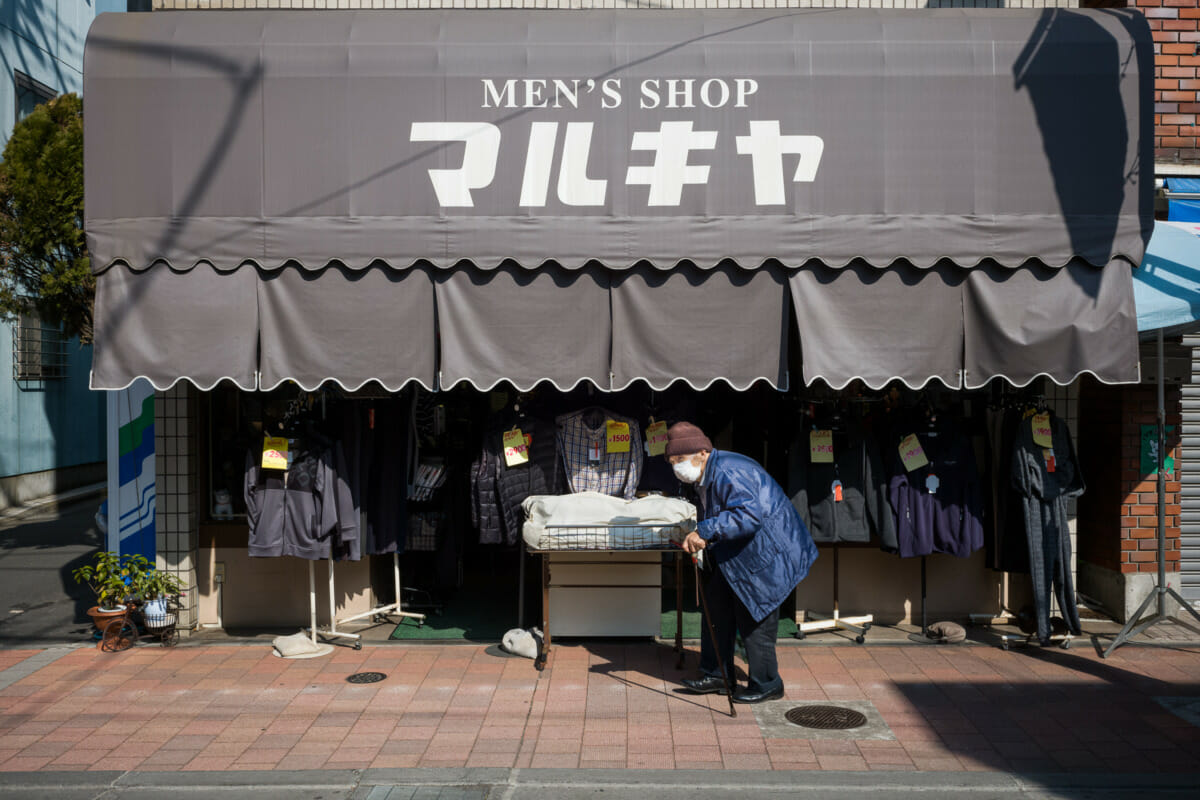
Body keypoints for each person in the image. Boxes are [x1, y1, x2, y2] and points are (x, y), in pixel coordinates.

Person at [667, 421, 818, 704]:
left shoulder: (728, 470)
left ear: (702, 452)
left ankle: (767, 682)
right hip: (738, 550)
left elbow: (748, 516)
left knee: (754, 616)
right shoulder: (704, 474)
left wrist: (706, 531)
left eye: (681, 460)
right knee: (716, 605)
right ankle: (717, 674)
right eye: (672, 461)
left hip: (767, 551)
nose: (677, 467)